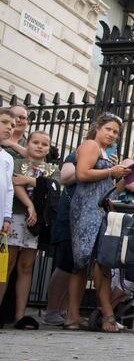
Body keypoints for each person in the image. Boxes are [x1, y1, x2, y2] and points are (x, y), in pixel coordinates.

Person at [63, 113, 131, 332]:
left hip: (100, 210)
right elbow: (82, 174)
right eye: (108, 129)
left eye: (115, 132)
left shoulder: (106, 154)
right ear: (97, 128)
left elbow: (108, 187)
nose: (112, 134)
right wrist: (111, 170)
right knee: (83, 262)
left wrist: (123, 176)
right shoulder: (90, 145)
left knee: (99, 261)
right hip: (86, 209)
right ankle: (83, 316)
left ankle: (83, 316)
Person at [0, 131, 60, 329]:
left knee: (26, 267)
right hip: (17, 216)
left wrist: (30, 181)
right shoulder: (17, 163)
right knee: (6, 266)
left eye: (44, 144)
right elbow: (15, 183)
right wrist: (30, 205)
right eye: (35, 142)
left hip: (36, 224)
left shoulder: (51, 169)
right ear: (28, 144)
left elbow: (55, 186)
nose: (39, 146)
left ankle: (20, 315)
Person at [41, 150, 78, 326]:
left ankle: (63, 310)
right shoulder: (75, 155)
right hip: (69, 216)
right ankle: (52, 310)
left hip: (85, 217)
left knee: (76, 267)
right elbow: (65, 177)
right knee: (65, 263)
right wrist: (90, 168)